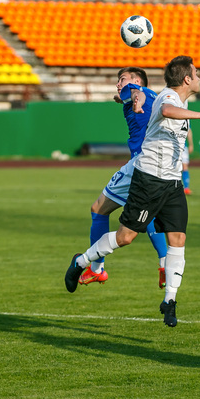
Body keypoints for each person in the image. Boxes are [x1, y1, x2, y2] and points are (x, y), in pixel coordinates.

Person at [65, 56, 200, 328]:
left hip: (171, 181)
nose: (199, 76)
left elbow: (140, 95)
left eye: (121, 79)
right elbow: (158, 105)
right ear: (187, 79)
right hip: (148, 176)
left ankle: (170, 301)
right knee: (125, 237)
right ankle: (84, 262)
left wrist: (131, 98)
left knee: (178, 237)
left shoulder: (169, 97)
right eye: (196, 73)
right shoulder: (162, 95)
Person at [79, 67, 169, 288]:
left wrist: (132, 97)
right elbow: (135, 95)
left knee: (98, 209)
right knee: (147, 214)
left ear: (136, 81)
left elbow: (135, 92)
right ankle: (165, 264)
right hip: (159, 164)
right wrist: (125, 99)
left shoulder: (136, 91)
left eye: (122, 79)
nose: (118, 84)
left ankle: (96, 269)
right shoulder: (155, 96)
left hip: (140, 163)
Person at [182, 128, 193, 195]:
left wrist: (191, 144)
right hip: (170, 146)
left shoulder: (186, 121)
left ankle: (186, 188)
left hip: (183, 147)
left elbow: (189, 131)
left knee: (184, 166)